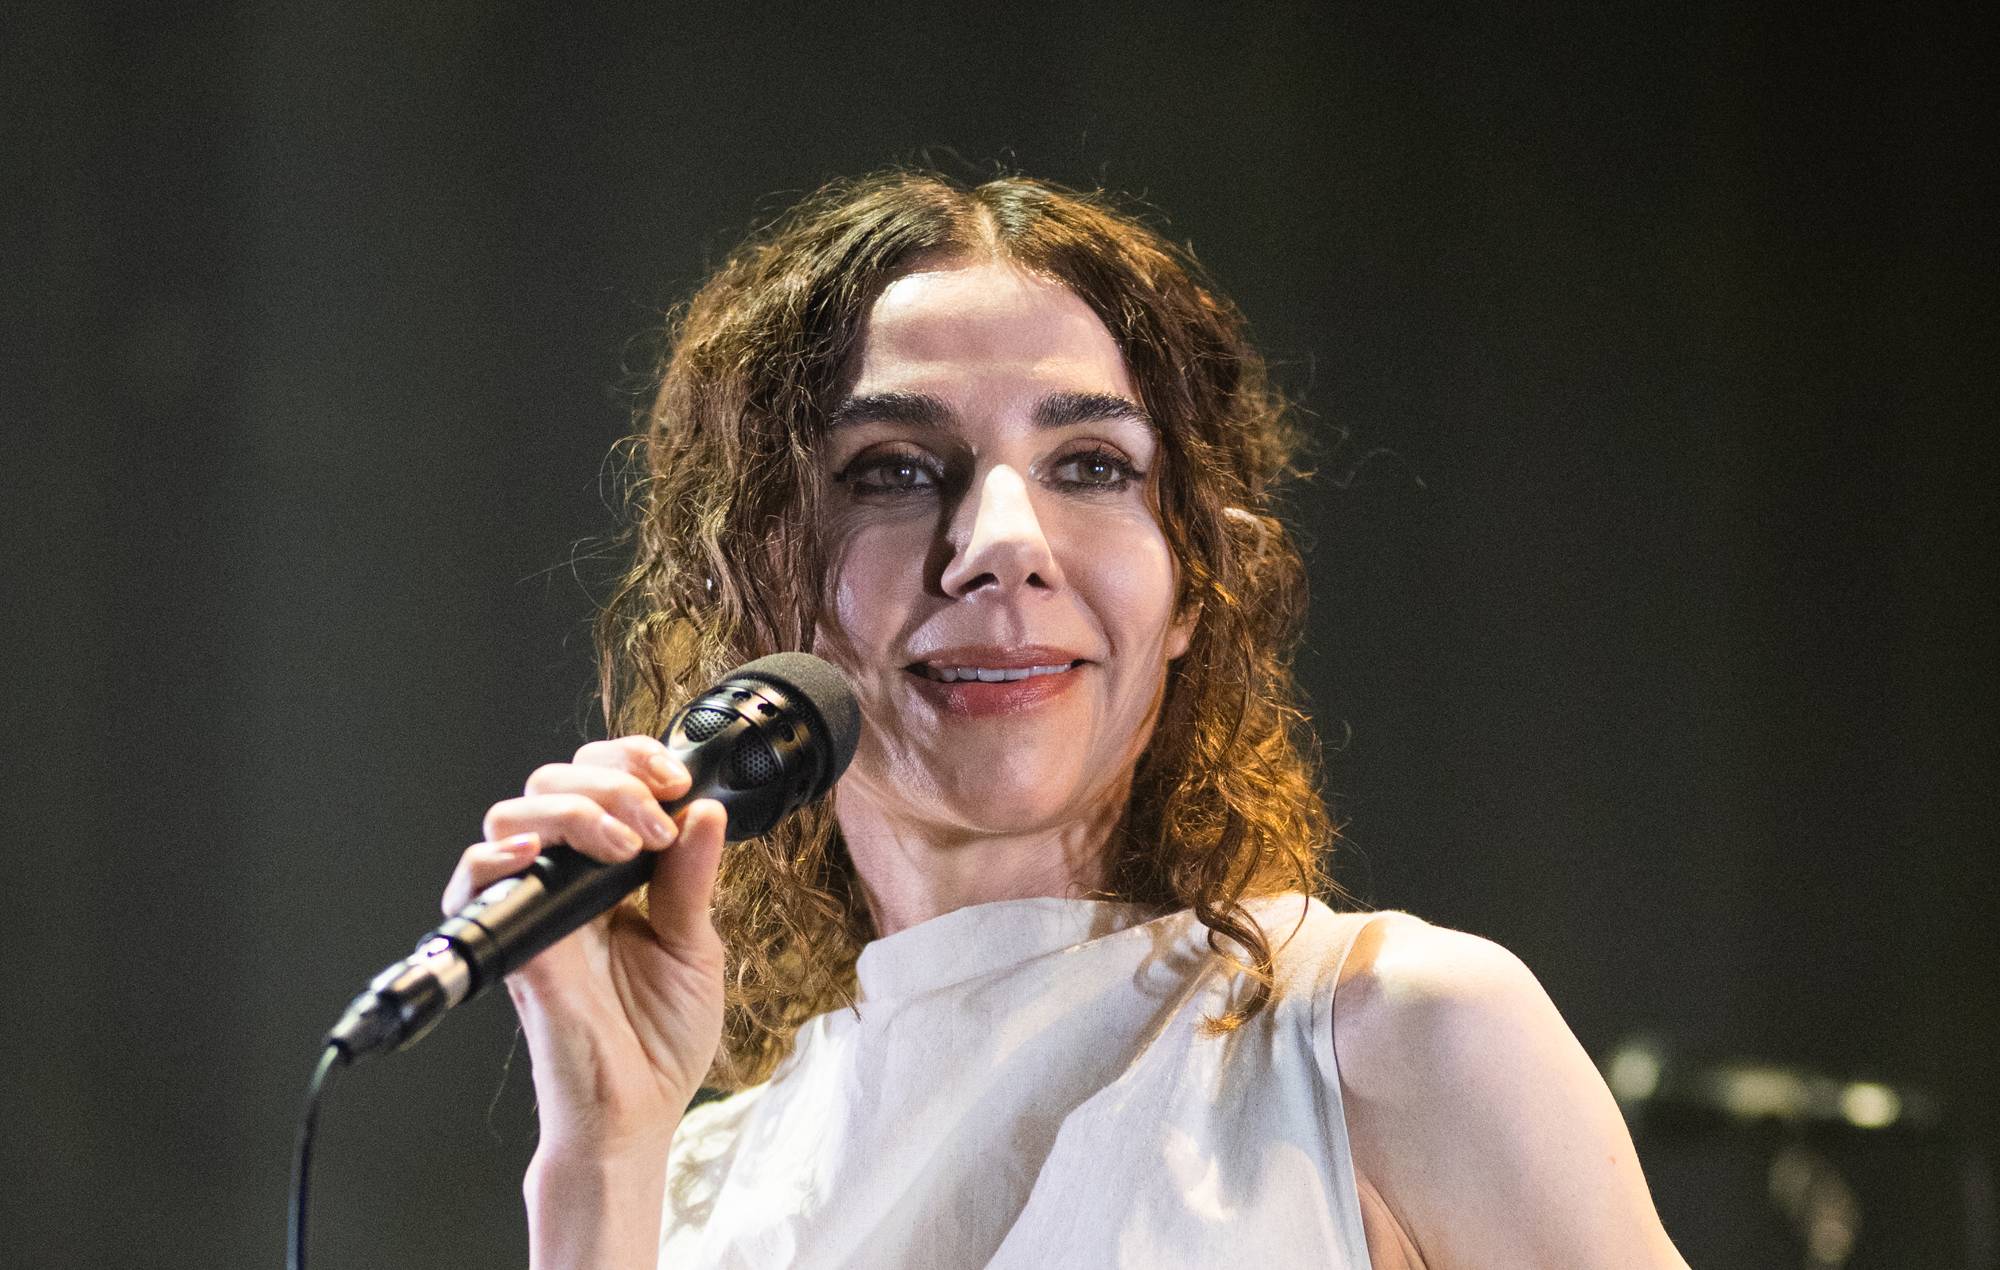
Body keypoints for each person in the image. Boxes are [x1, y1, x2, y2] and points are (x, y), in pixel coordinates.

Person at [440, 172, 1688, 1268]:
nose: (1002, 546)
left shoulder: (1394, 1039)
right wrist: (601, 1153)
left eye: (1091, 464)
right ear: (757, 583)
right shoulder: (693, 1186)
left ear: (1192, 579)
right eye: (892, 468)